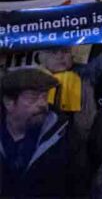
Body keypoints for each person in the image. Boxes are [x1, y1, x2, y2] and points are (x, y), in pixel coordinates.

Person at [0, 67, 88, 197]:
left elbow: (80, 189)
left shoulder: (66, 136)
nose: (42, 104)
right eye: (33, 97)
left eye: (45, 96)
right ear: (9, 102)